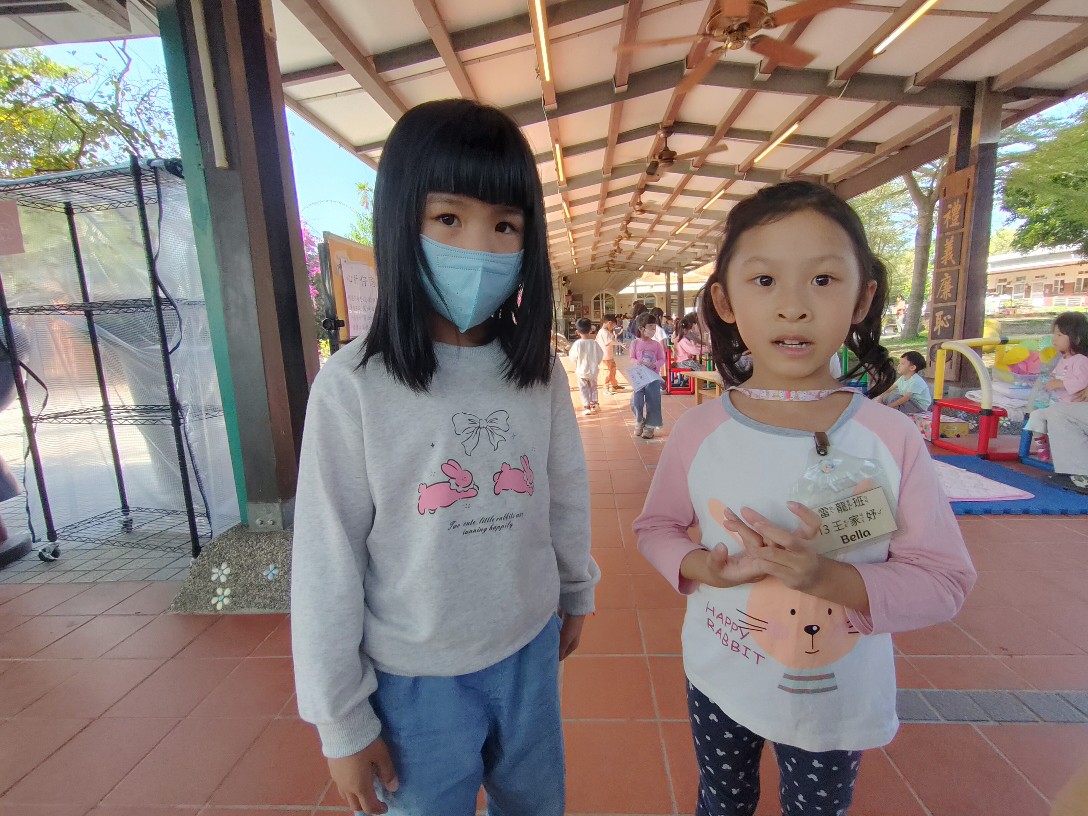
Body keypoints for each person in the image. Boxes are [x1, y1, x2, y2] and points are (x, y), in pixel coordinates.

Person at [290, 99, 600, 816]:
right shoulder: (353, 385)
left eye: (505, 226)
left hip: (529, 650)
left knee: (537, 805)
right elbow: (327, 560)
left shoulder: (539, 372)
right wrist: (341, 720)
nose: (481, 249)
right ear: (402, 222)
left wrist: (575, 589)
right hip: (413, 681)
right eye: (449, 219)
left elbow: (565, 492)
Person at [633, 181, 975, 816]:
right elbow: (656, 528)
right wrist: (704, 567)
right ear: (725, 301)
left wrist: (826, 578)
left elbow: (944, 581)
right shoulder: (699, 430)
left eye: (822, 280)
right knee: (722, 798)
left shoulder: (889, 436)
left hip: (833, 693)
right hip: (720, 672)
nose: (793, 307)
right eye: (764, 281)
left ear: (862, 297)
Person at [1024, 312, 1088, 492]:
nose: (1055, 339)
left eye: (1060, 334)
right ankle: (1071, 472)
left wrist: (1062, 384)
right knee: (1052, 412)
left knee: (1058, 412)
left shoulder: (1081, 360)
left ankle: (1080, 474)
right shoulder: (1064, 359)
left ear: (1076, 338)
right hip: (1071, 405)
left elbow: (1079, 379)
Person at [630, 311, 667, 440]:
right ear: (641, 328)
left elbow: (662, 359)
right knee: (636, 402)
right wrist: (637, 362)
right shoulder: (635, 343)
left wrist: (656, 364)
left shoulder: (656, 345)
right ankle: (640, 420)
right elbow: (631, 358)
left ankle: (650, 427)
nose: (653, 330)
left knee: (653, 402)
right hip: (639, 378)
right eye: (650, 327)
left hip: (653, 378)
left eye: (654, 327)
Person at [878, 351, 931, 415]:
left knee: (895, 401)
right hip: (909, 402)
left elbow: (906, 398)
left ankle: (888, 413)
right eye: (899, 363)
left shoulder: (916, 381)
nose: (898, 366)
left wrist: (890, 406)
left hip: (918, 406)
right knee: (889, 396)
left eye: (902, 364)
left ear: (912, 367)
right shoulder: (902, 378)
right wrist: (881, 396)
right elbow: (890, 389)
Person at [570, 317, 604, 415]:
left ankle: (586, 406)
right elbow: (600, 355)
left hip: (582, 371)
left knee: (583, 389)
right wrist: (595, 363)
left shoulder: (577, 344)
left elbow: (573, 357)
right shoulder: (594, 343)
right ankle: (595, 404)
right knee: (593, 387)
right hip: (593, 371)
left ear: (577, 332)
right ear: (591, 330)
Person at [596, 314, 626, 394]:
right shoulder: (604, 332)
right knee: (607, 373)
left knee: (612, 371)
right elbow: (608, 342)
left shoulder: (605, 332)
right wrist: (620, 344)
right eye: (613, 326)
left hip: (609, 356)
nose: (613, 328)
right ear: (609, 323)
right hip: (605, 357)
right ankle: (606, 388)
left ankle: (614, 385)